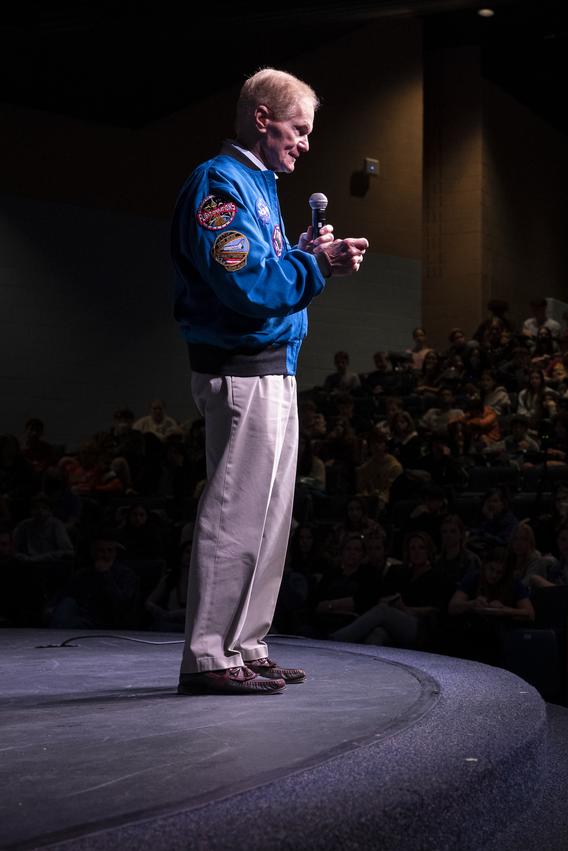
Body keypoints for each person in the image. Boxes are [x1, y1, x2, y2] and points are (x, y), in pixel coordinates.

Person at [172, 68, 369, 694]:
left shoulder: (258, 186)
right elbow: (246, 286)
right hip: (240, 373)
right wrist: (316, 264)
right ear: (263, 118)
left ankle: (247, 644)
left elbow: (267, 269)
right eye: (299, 130)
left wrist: (302, 253)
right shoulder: (218, 185)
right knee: (236, 515)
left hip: (273, 371)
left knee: (270, 516)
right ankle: (209, 655)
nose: (305, 143)